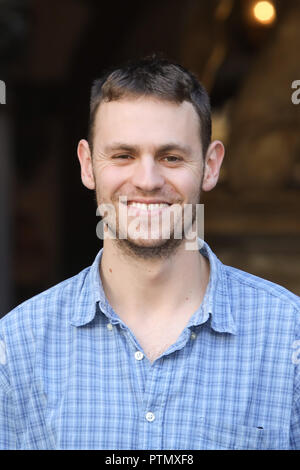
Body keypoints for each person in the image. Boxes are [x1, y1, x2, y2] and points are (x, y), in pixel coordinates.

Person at [0, 55, 299, 450]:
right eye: (123, 155)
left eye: (171, 157)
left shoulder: (288, 339)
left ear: (211, 166)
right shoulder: (17, 345)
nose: (147, 180)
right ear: (88, 165)